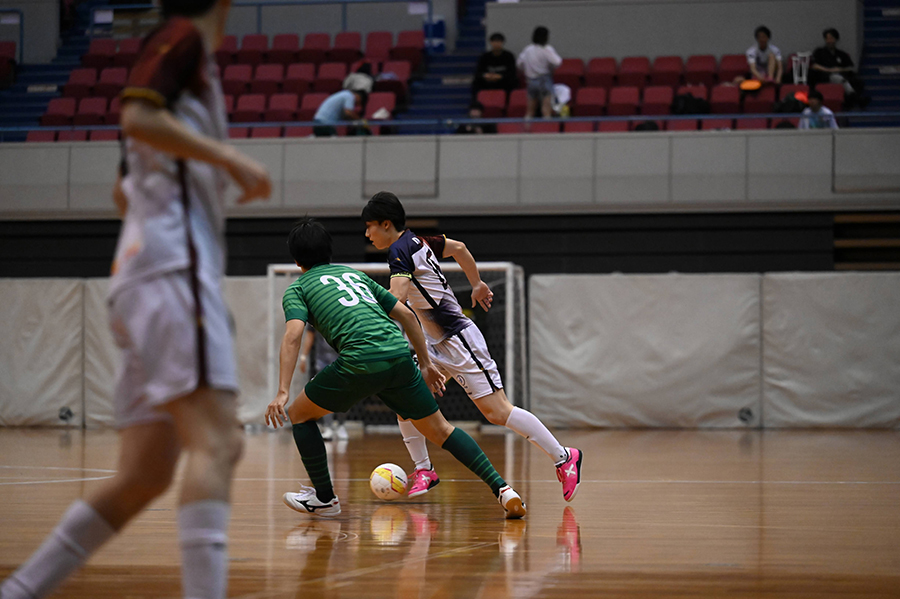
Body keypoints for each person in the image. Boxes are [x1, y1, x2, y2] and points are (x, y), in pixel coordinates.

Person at [0, 0, 272, 597]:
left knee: (143, 475)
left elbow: (122, 194)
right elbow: (136, 116)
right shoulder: (184, 39)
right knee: (219, 443)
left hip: (140, 275)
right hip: (171, 270)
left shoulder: (187, 81)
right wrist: (228, 158)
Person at [265, 218, 527, 520]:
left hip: (359, 361)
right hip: (399, 355)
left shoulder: (298, 288)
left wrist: (282, 391)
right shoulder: (354, 275)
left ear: (296, 260)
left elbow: (293, 336)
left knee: (299, 414)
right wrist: (425, 364)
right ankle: (503, 489)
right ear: (329, 252)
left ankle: (325, 498)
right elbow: (406, 315)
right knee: (442, 430)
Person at [361, 191, 584, 502]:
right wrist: (476, 283)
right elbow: (460, 248)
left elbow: (397, 297)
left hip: (458, 340)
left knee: (497, 412)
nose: (367, 234)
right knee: (405, 398)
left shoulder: (399, 250)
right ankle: (424, 469)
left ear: (386, 224)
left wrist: (362, 311)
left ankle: (564, 456)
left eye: (369, 226)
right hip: (434, 343)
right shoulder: (421, 241)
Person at [298, 325, 349, 440]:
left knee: (345, 394)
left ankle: (341, 425)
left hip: (343, 359)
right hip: (322, 361)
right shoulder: (316, 316)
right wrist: (303, 356)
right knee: (325, 394)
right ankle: (328, 426)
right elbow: (310, 334)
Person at [812, 28, 867, 109]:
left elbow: (850, 67)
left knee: (857, 81)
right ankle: (856, 98)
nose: (829, 41)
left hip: (842, 75)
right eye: (827, 38)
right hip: (825, 76)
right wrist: (829, 70)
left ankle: (851, 101)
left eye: (831, 38)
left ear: (836, 39)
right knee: (837, 78)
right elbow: (814, 66)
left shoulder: (841, 54)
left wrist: (839, 69)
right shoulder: (819, 52)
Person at [517, 26, 562, 118]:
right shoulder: (546, 49)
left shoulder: (528, 49)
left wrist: (527, 69)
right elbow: (557, 62)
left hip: (531, 81)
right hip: (544, 80)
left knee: (529, 112)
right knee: (546, 111)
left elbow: (519, 64)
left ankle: (527, 126)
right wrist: (550, 67)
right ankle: (547, 127)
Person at [472, 32, 518, 98]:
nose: (496, 44)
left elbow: (512, 72)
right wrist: (486, 75)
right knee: (476, 82)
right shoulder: (485, 56)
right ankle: (477, 102)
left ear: (502, 42)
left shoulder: (509, 56)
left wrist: (500, 76)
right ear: (490, 42)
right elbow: (479, 71)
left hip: (503, 81)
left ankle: (508, 101)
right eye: (494, 41)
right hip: (488, 81)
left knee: (513, 81)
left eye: (498, 41)